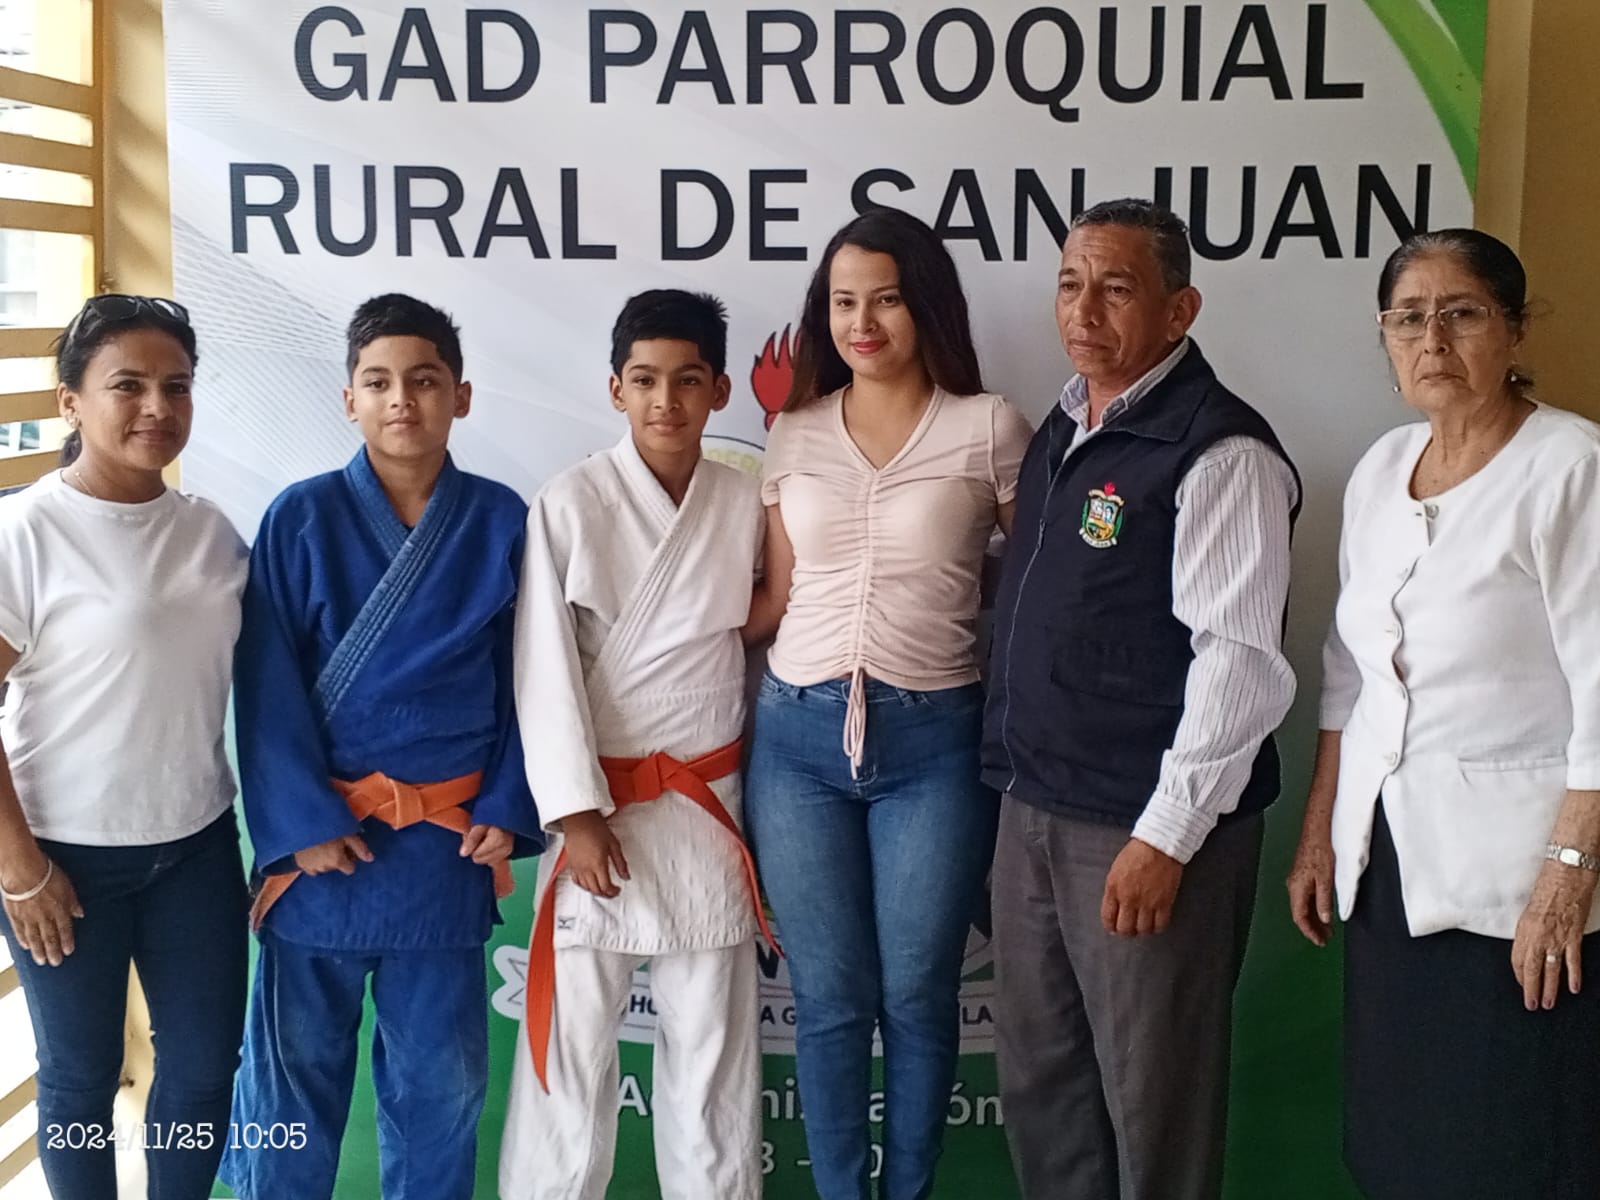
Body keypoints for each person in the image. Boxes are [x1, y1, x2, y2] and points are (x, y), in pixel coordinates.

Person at [983, 198, 1300, 1200]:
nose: (1083, 311)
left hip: (1142, 830)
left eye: (1115, 288)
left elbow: (1239, 664)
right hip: (1034, 808)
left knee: (1151, 1103)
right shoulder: (1065, 424)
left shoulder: (1220, 451)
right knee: (1043, 1087)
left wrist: (1166, 836)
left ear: (1178, 310)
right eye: (1070, 284)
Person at [1287, 229, 1600, 1200]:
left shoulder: (1569, 466)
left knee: (1503, 1148)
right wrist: (1320, 831)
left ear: (1514, 328)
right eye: (1407, 318)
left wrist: (1567, 877)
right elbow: (1348, 672)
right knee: (1399, 1143)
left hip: (1516, 891)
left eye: (1461, 313)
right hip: (1390, 867)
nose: (1432, 340)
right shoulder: (1383, 467)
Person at [219, 294, 542, 1200]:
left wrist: (508, 806)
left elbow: (534, 680)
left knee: (442, 1091)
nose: (403, 399)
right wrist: (300, 826)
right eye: (379, 382)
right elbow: (265, 686)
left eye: (425, 380)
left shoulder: (501, 521)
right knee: (291, 1087)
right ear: (349, 399)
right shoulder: (300, 518)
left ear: (461, 396)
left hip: (444, 846)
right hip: (324, 851)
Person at [743, 206, 1033, 1200]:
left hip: (933, 743)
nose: (861, 323)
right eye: (842, 303)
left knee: (915, 993)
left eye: (886, 300)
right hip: (796, 740)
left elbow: (1036, 584)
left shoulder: (987, 425)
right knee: (828, 998)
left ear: (927, 305)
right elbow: (776, 596)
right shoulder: (794, 431)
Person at [499, 289, 766, 1200]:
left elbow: (753, 636)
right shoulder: (569, 501)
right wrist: (574, 813)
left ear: (719, 389)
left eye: (688, 381)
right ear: (615, 388)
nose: (666, 401)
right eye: (645, 380)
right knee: (570, 1061)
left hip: (705, 807)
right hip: (600, 812)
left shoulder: (745, 501)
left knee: (713, 1063)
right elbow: (541, 665)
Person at [0, 295, 248, 1199]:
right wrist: (20, 871)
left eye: (176, 386)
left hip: (196, 849)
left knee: (205, 1070)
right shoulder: (25, 532)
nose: (157, 407)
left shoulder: (211, 530)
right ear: (69, 401)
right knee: (79, 1077)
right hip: (64, 861)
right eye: (128, 386)